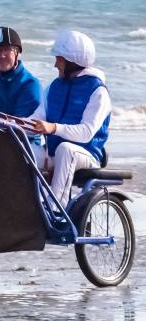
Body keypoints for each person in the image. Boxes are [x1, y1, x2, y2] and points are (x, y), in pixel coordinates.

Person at [27, 30, 111, 207]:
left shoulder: (98, 91)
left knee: (66, 149)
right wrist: (8, 124)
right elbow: (36, 120)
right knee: (21, 151)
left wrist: (54, 128)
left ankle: (56, 208)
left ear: (72, 62)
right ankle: (26, 206)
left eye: (59, 59)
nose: (55, 65)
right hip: (53, 153)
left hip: (87, 155)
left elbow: (86, 133)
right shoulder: (54, 86)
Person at [0, 26, 42, 119]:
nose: (2, 55)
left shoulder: (30, 84)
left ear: (16, 52)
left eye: (7, 49)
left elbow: (19, 128)